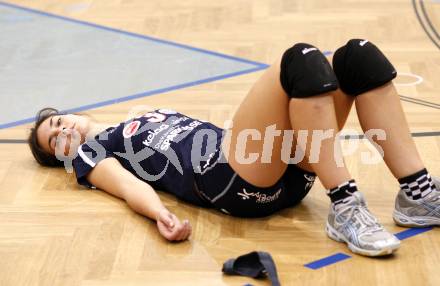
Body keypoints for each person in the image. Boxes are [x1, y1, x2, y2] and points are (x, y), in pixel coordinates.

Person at [28, 39, 440, 257]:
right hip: (229, 178)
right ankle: (347, 205)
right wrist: (160, 216)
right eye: (54, 139)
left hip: (287, 176)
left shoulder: (139, 116)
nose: (62, 130)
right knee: (299, 59)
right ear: (61, 156)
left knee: (356, 58)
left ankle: (417, 194)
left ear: (74, 112)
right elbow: (123, 185)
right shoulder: (91, 154)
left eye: (59, 121)